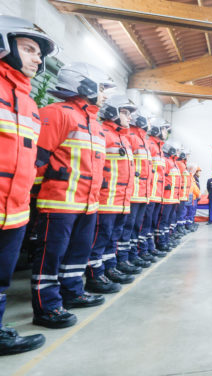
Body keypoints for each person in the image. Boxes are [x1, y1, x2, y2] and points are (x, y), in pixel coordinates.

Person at [30, 62, 114, 328]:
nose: (105, 95)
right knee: (51, 255)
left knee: (78, 253)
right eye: (102, 88)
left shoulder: (95, 125)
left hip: (87, 204)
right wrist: (34, 197)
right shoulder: (55, 114)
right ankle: (48, 307)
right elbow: (37, 161)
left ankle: (73, 292)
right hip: (58, 202)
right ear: (84, 85)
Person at [0, 15, 57, 354]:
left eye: (39, 52)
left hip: (15, 211)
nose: (38, 58)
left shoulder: (30, 104)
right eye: (29, 49)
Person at [85, 95, 138, 295]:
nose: (129, 118)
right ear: (113, 113)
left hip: (121, 201)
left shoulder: (123, 138)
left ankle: (109, 268)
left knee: (112, 238)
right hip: (106, 200)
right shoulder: (104, 133)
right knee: (100, 238)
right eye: (125, 113)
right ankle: (95, 275)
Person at [120, 110, 152, 269]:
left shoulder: (144, 141)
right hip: (132, 193)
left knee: (136, 226)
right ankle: (124, 258)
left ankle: (133, 255)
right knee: (128, 227)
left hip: (142, 193)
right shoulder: (131, 137)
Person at [137, 120, 167, 260]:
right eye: (164, 129)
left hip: (156, 193)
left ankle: (149, 247)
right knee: (144, 223)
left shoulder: (158, 148)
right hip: (149, 193)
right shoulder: (151, 146)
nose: (166, 132)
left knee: (150, 223)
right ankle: (142, 250)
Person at [155, 142, 180, 249]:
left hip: (173, 198)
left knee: (167, 221)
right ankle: (160, 242)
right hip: (166, 198)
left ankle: (166, 239)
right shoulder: (167, 161)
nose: (179, 153)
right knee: (163, 221)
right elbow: (162, 177)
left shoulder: (173, 162)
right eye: (177, 150)